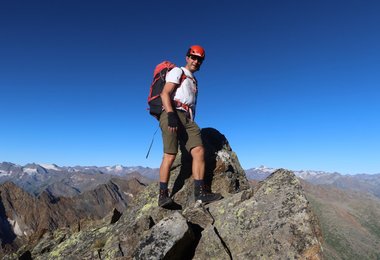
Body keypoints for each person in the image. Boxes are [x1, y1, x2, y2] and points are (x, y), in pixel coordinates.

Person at [158, 45, 222, 208]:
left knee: (199, 150)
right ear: (187, 58)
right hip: (172, 113)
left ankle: (200, 193)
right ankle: (163, 196)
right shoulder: (178, 71)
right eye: (193, 57)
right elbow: (165, 93)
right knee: (170, 155)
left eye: (199, 59)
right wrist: (171, 114)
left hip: (187, 119)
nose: (195, 61)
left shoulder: (194, 80)